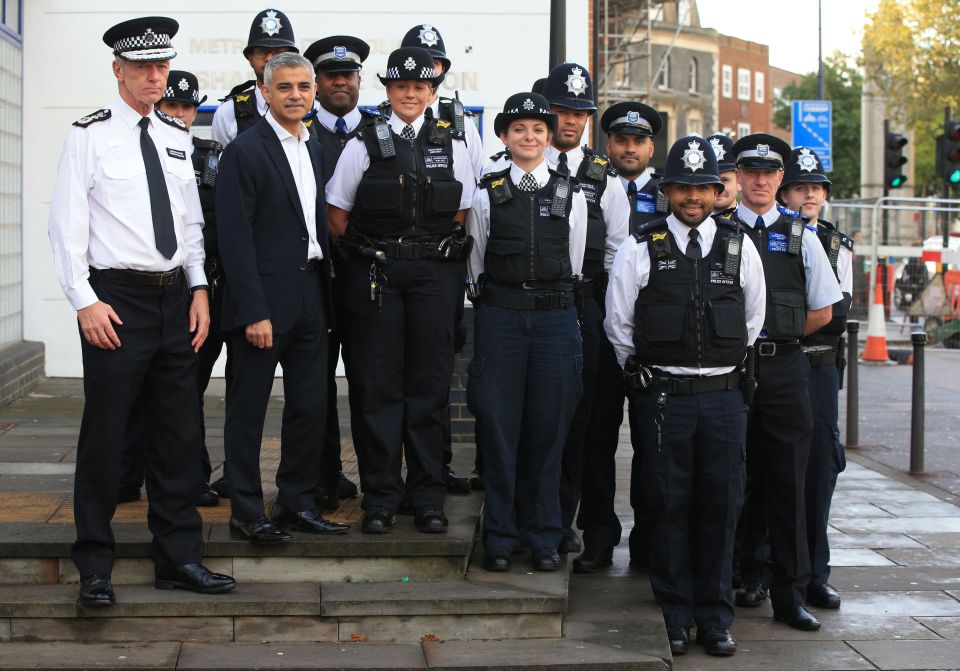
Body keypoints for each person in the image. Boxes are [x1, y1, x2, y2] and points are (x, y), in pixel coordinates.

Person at [48, 16, 236, 606]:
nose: (156, 76)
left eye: (163, 66)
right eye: (144, 67)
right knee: (106, 436)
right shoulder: (88, 135)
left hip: (175, 298)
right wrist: (85, 302)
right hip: (116, 300)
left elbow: (190, 225)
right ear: (118, 71)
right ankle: (95, 567)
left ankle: (179, 558)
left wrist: (200, 289)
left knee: (179, 434)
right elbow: (65, 229)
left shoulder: (177, 136)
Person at [605, 135, 765, 657]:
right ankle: (675, 614)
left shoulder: (741, 248)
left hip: (723, 397)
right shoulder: (640, 245)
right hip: (666, 398)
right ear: (668, 190)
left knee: (721, 506)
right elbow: (620, 324)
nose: (693, 197)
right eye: (683, 188)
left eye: (702, 187)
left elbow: (753, 321)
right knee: (669, 505)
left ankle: (716, 619)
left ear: (717, 190)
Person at [325, 47, 476, 535]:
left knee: (429, 389)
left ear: (432, 91)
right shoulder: (364, 140)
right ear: (386, 91)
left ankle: (427, 495)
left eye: (419, 87)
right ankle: (382, 497)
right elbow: (338, 215)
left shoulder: (452, 141)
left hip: (434, 275)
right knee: (377, 389)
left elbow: (462, 210)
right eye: (400, 86)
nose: (410, 94)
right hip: (378, 277)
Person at [216, 52, 350, 544]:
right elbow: (234, 238)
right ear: (266, 93)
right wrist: (253, 310)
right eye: (286, 87)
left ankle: (297, 502)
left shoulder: (315, 148)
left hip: (312, 295)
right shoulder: (245, 152)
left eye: (304, 86)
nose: (296, 94)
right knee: (248, 410)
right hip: (262, 304)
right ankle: (247, 512)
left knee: (310, 406)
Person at [466, 91, 588, 572]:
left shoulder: (570, 192)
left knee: (549, 430)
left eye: (538, 129)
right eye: (519, 129)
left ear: (549, 136)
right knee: (498, 429)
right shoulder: (486, 191)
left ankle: (543, 535)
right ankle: (499, 536)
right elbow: (476, 262)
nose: (529, 136)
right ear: (503, 136)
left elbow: (575, 262)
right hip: (502, 319)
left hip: (556, 321)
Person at [727, 134, 842, 632]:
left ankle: (789, 592)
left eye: (769, 173)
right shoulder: (717, 230)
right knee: (729, 481)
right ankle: (735, 575)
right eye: (750, 172)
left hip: (784, 369)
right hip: (728, 371)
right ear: (738, 175)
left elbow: (824, 308)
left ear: (780, 180)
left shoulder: (802, 236)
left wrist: (779, 336)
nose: (759, 180)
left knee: (788, 483)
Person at [118, 70, 223, 509]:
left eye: (186, 107)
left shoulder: (214, 156)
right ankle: (126, 473)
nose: (179, 114)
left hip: (204, 286)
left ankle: (192, 475)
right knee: (138, 387)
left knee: (186, 391)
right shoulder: (136, 149)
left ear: (196, 110)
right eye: (170, 106)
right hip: (150, 286)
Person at [539, 63, 631, 558]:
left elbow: (618, 253)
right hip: (537, 305)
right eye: (561, 110)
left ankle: (582, 526)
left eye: (579, 113)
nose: (570, 121)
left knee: (591, 421)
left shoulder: (605, 178)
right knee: (544, 421)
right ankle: (545, 521)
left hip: (588, 303)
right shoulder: (523, 165)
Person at [400, 23, 484, 494]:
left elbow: (470, 198)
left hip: (445, 262)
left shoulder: (459, 121)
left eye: (432, 65)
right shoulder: (386, 122)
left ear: (441, 72)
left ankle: (438, 465)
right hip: (398, 267)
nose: (422, 76)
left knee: (438, 369)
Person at [776, 146, 853, 611]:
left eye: (815, 188)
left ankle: (815, 574)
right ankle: (765, 567)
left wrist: (788, 321)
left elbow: (836, 317)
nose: (809, 195)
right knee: (774, 473)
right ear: (785, 192)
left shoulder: (835, 243)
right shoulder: (773, 236)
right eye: (800, 187)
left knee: (820, 472)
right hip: (780, 364)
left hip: (819, 364)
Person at [301, 34, 373, 510]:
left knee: (371, 384)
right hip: (318, 282)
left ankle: (378, 484)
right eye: (331, 75)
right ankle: (323, 479)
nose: (341, 82)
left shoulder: (379, 131)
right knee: (316, 386)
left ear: (359, 80)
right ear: (317, 82)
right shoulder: (301, 134)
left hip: (370, 279)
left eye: (348, 75)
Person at [211, 7, 298, 147]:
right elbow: (221, 165)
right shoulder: (228, 113)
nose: (270, 58)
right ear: (250, 58)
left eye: (279, 52)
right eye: (262, 51)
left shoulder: (311, 108)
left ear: (292, 58)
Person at [603, 101, 668, 233]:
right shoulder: (597, 190)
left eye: (639, 141)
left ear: (651, 149)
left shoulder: (668, 195)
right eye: (621, 141)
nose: (630, 149)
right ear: (609, 146)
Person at [707, 132, 738, 216]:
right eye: (712, 182)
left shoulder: (750, 225)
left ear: (739, 182)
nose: (718, 188)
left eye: (724, 180)